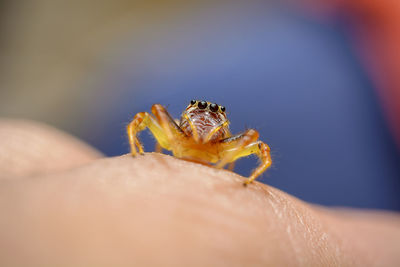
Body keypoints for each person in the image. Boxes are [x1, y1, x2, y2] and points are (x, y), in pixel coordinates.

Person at [1, 119, 399, 266]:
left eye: (214, 119)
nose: (205, 121)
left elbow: (258, 145)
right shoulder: (173, 127)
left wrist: (243, 174)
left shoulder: (229, 142)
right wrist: (141, 149)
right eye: (198, 115)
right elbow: (146, 117)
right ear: (187, 117)